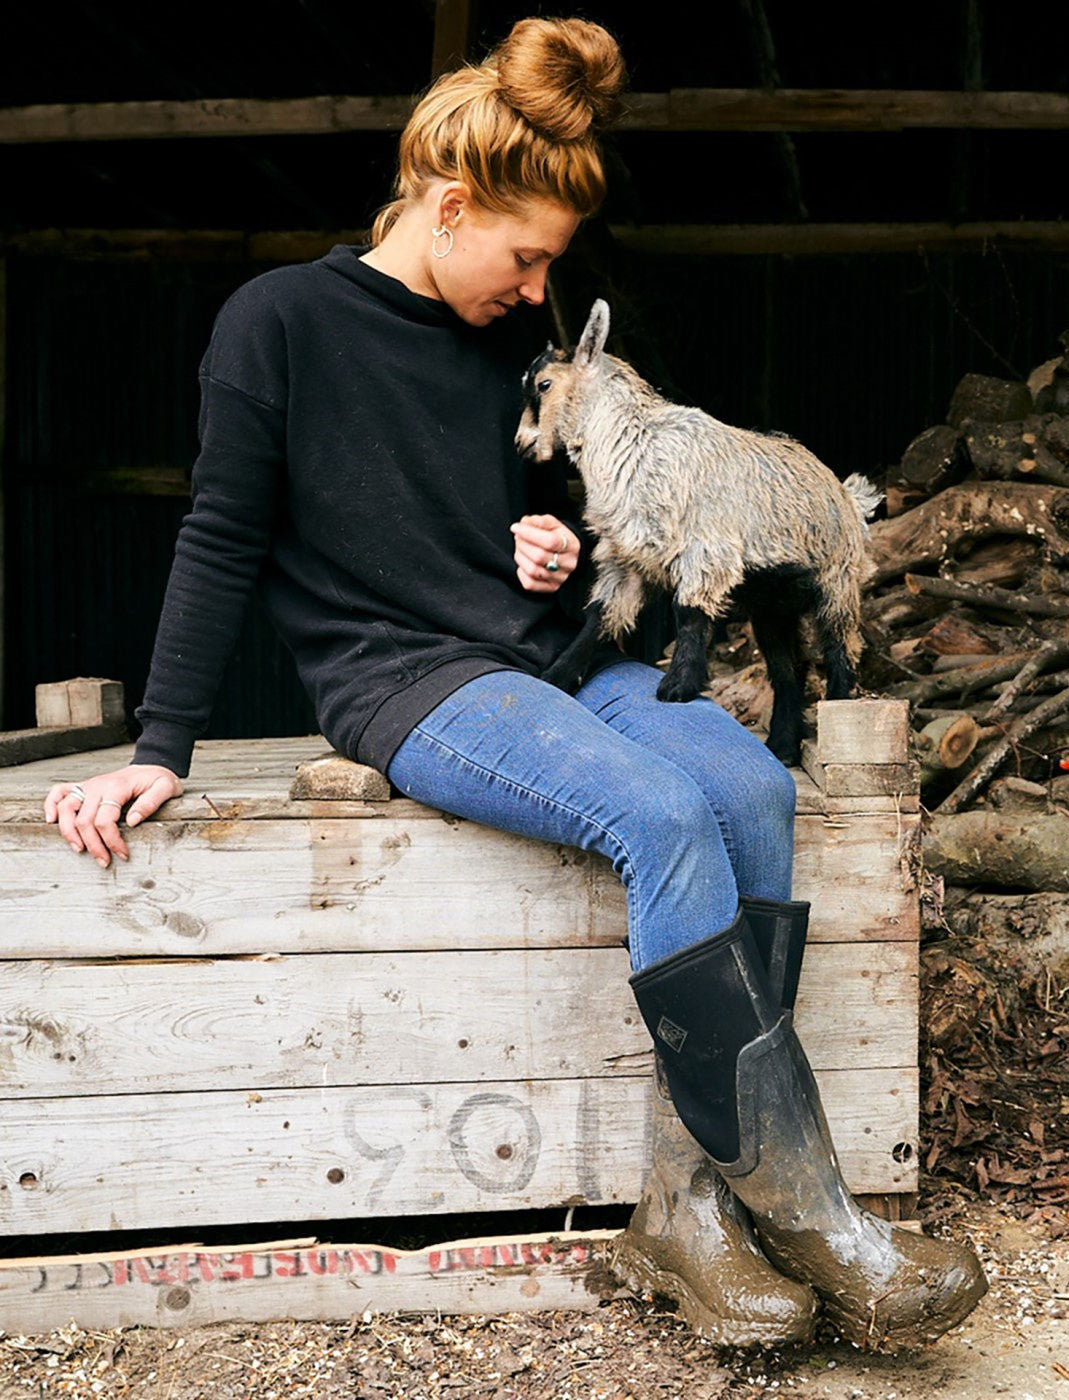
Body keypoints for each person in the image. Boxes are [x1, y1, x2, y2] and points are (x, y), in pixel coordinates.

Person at [42, 16, 985, 1350]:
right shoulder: (279, 325)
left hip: (561, 656)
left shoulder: (505, 344)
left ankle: (688, 1212)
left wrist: (554, 539)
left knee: (746, 786)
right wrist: (164, 741)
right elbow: (221, 533)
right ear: (449, 205)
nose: (541, 290)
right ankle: (818, 1214)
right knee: (659, 815)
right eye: (527, 254)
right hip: (412, 682)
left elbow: (557, 503)